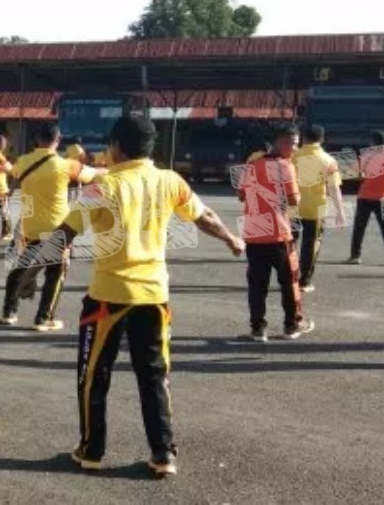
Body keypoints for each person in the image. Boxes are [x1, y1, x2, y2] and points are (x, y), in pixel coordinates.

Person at [32, 115, 243, 476]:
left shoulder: (102, 186)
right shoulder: (169, 181)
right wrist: (230, 238)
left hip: (107, 298)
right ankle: (163, 454)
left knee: (94, 375)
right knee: (154, 376)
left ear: (116, 146)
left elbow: (65, 233)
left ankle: (91, 450)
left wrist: (30, 273)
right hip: (153, 296)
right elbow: (203, 214)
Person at [0, 123, 100, 330]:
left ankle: (9, 312)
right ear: (58, 139)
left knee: (20, 268)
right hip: (57, 228)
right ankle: (44, 318)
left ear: (37, 138)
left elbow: (14, 172)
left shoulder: (23, 161)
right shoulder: (65, 165)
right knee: (55, 273)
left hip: (30, 226)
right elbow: (94, 175)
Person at [238, 125, 314, 341]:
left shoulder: (252, 165)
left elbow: (241, 195)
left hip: (254, 232)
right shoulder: (285, 167)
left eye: (297, 142)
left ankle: (258, 328)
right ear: (277, 142)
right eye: (291, 142)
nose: (295, 147)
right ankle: (291, 325)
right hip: (279, 233)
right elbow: (293, 200)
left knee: (257, 284)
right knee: (289, 281)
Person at [291, 125, 343, 294]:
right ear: (321, 139)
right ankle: (304, 282)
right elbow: (334, 188)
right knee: (311, 245)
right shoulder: (328, 160)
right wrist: (340, 211)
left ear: (303, 138)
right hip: (316, 208)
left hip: (293, 207)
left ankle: (288, 279)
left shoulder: (292, 157)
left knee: (290, 244)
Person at [348, 130, 384, 266]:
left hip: (364, 196)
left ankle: (355, 256)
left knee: (359, 228)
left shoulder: (365, 156)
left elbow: (359, 175)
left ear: (372, 142)